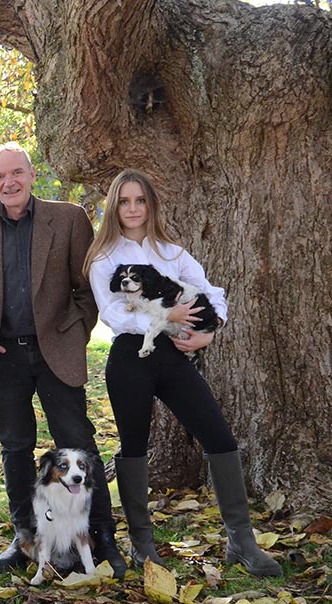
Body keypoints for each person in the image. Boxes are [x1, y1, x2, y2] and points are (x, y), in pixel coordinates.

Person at [83, 169, 281, 577]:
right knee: (134, 447)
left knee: (219, 436)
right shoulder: (104, 258)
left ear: (151, 205)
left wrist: (210, 330)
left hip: (173, 356)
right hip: (129, 358)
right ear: (113, 207)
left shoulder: (172, 253)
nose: (133, 209)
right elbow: (113, 313)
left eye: (140, 201)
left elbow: (212, 292)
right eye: (124, 201)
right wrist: (167, 314)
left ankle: (241, 541)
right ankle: (143, 546)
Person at [0, 142, 127, 579]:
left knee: (79, 446)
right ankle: (26, 536)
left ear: (32, 175)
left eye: (16, 173)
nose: (8, 182)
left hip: (56, 350)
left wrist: (74, 332)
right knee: (15, 447)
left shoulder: (69, 218)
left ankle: (102, 535)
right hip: (5, 355)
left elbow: (87, 286)